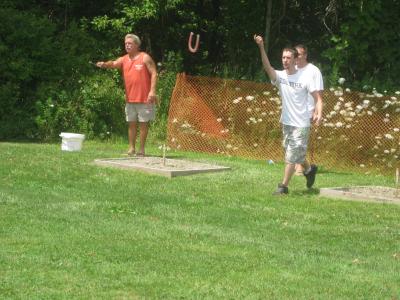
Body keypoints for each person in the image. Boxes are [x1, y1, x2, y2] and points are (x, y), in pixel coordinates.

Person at [254, 35, 323, 195]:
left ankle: (283, 187)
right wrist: (261, 47)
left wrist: (319, 112)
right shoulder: (280, 77)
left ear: (294, 60)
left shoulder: (305, 78)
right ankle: (309, 169)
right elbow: (267, 67)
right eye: (283, 57)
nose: (285, 60)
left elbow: (317, 98)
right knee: (293, 152)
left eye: (288, 58)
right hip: (287, 122)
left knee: (291, 156)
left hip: (301, 124)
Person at [96, 33, 157, 156]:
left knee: (144, 125)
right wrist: (104, 64)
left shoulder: (144, 57)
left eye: (130, 43)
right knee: (131, 124)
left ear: (137, 45)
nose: (127, 45)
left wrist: (152, 91)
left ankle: (142, 150)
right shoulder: (124, 59)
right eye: (126, 44)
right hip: (130, 99)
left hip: (145, 99)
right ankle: (131, 149)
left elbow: (154, 73)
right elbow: (113, 64)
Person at [294, 44, 324, 175]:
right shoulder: (292, 69)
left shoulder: (314, 71)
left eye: (299, 55)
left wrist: (317, 112)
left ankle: (300, 167)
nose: (296, 58)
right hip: (293, 110)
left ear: (305, 55)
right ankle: (304, 165)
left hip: (307, 110)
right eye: (295, 55)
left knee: (300, 139)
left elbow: (319, 94)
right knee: (293, 140)